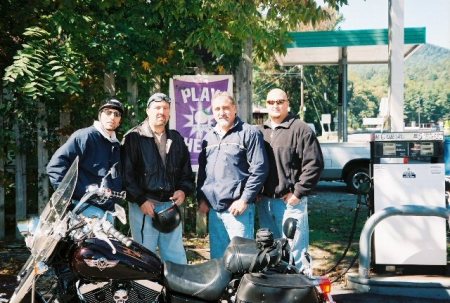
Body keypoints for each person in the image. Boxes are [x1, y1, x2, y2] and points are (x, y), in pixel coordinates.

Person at [121, 92, 193, 264]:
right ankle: (143, 291)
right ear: (148, 111)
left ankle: (177, 291)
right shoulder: (133, 137)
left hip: (170, 206)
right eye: (157, 107)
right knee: (143, 257)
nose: (162, 111)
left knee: (175, 256)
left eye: (166, 108)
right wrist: (140, 200)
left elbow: (186, 171)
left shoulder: (176, 138)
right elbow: (126, 175)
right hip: (144, 207)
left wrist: (183, 190)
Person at [256, 88, 324, 270]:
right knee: (270, 252)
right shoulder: (260, 131)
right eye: (271, 102)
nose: (275, 105)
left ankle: (303, 292)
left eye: (280, 101)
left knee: (295, 252)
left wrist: (298, 193)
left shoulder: (301, 129)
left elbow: (314, 164)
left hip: (290, 203)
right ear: (266, 105)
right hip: (265, 203)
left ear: (288, 103)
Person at [197, 91, 269, 259]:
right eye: (217, 109)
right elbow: (203, 172)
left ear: (234, 109)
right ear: (213, 112)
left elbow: (259, 168)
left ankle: (239, 287)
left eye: (226, 108)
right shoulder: (209, 138)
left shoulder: (249, 133)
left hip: (238, 210)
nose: (222, 112)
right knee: (219, 261)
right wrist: (202, 199)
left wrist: (244, 199)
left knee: (241, 261)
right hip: (215, 212)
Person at [47, 97, 124, 217]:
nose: (112, 117)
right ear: (100, 115)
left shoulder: (116, 145)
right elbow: (55, 166)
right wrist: (70, 195)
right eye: (108, 112)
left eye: (117, 114)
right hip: (82, 209)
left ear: (120, 120)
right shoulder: (85, 137)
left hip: (107, 212)